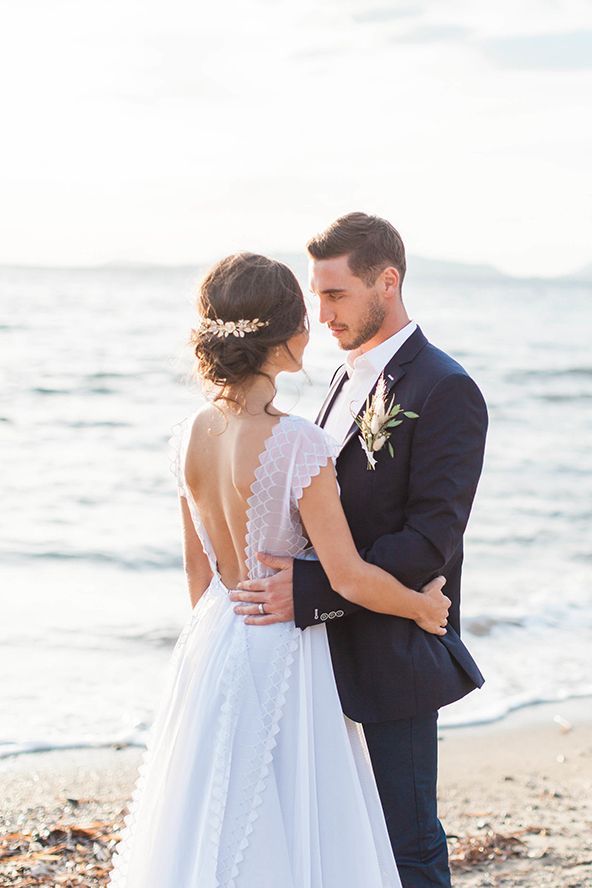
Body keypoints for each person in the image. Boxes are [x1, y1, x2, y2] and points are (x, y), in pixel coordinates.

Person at [107, 251, 458, 888]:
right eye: (305, 315)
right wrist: (421, 607)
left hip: (213, 640)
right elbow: (347, 575)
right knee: (293, 823)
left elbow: (198, 576)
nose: (315, 327)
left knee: (215, 818)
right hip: (279, 647)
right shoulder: (295, 440)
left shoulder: (188, 433)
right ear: (279, 336)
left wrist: (219, 653)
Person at [231, 213, 488, 888]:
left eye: (336, 294)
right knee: (339, 843)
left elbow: (431, 544)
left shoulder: (445, 389)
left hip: (391, 649)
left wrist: (312, 590)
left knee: (408, 843)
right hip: (318, 653)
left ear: (388, 281)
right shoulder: (343, 380)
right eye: (316, 296)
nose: (321, 314)